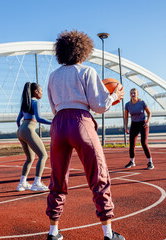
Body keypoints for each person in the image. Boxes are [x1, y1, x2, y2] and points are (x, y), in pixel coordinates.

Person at [46, 30, 125, 240]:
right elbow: (99, 106)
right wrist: (114, 96)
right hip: (80, 121)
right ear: (83, 51)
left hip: (58, 123)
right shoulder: (87, 71)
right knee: (98, 174)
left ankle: (53, 232)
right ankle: (108, 234)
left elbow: (54, 106)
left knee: (57, 177)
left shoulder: (53, 76)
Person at [16, 82, 52, 192]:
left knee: (30, 158)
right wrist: (54, 122)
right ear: (35, 92)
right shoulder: (36, 102)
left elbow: (18, 120)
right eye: (41, 91)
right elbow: (39, 118)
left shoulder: (25, 103)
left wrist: (22, 130)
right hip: (28, 129)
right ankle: (37, 183)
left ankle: (22, 183)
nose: (42, 93)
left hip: (21, 130)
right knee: (43, 155)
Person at [124, 88, 154, 170]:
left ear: (137, 94)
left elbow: (149, 113)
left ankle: (150, 162)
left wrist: (148, 122)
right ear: (130, 95)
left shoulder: (142, 103)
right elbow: (126, 117)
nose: (133, 94)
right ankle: (132, 161)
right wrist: (126, 127)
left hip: (143, 124)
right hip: (134, 124)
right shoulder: (127, 105)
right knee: (132, 144)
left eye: (134, 93)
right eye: (131, 93)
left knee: (143, 143)